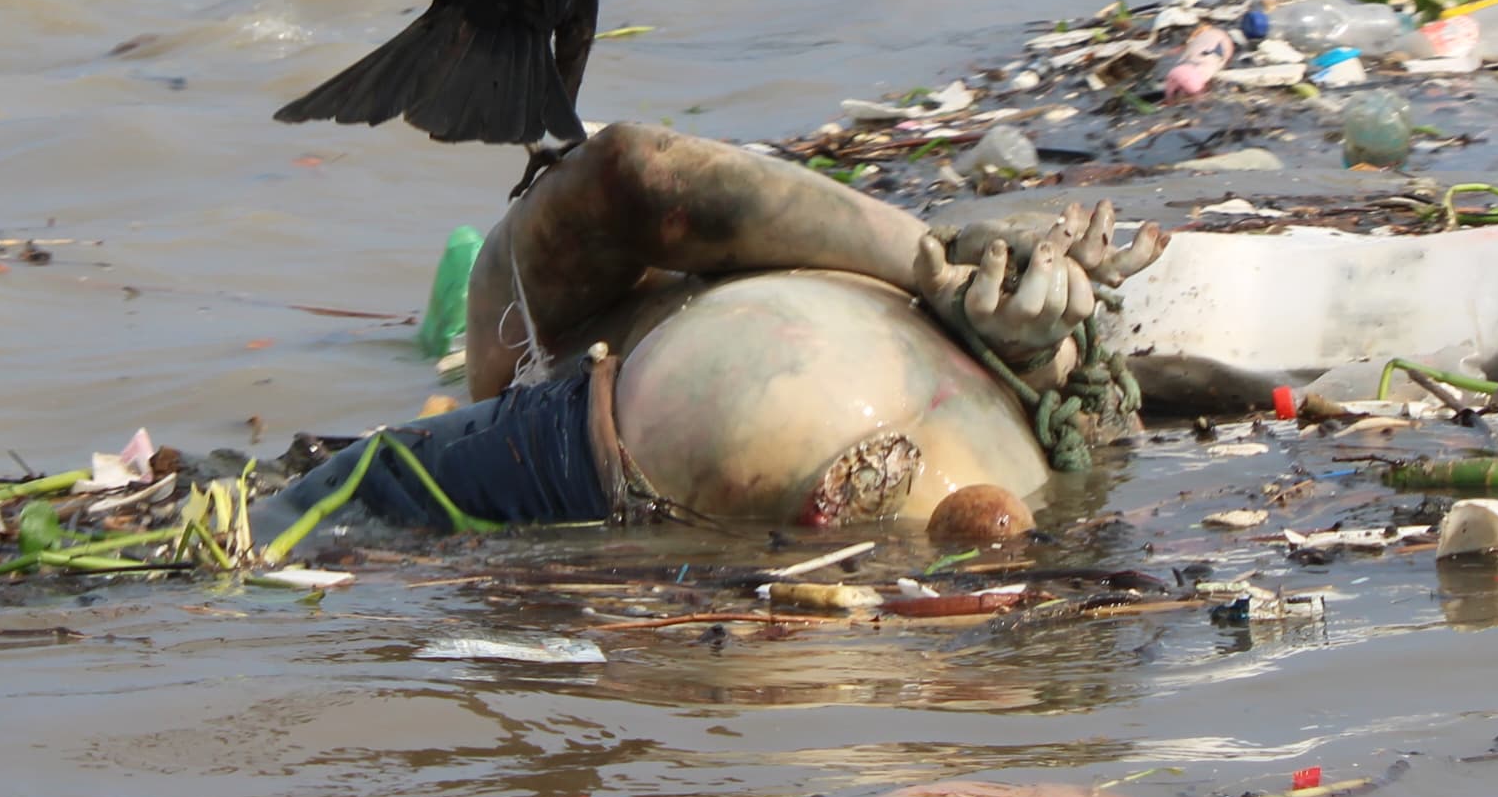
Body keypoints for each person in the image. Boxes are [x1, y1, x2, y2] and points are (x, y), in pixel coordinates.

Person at [272, 126, 1162, 542]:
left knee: (340, 483)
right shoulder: (838, 273)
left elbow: (637, 175)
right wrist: (934, 263)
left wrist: (937, 267)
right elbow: (645, 171)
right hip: (995, 472)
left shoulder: (527, 313)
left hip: (712, 456)